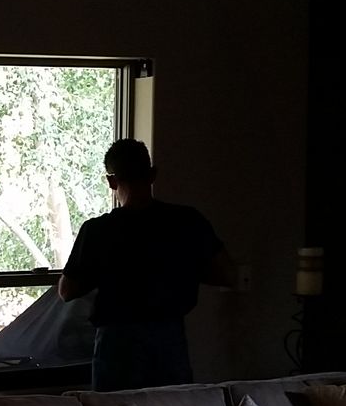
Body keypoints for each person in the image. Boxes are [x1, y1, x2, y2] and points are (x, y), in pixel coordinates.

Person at [58, 139, 235, 391]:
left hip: (116, 343)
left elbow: (67, 291)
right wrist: (181, 269)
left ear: (111, 181)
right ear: (152, 175)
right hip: (169, 338)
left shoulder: (98, 230)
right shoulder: (187, 221)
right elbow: (226, 273)